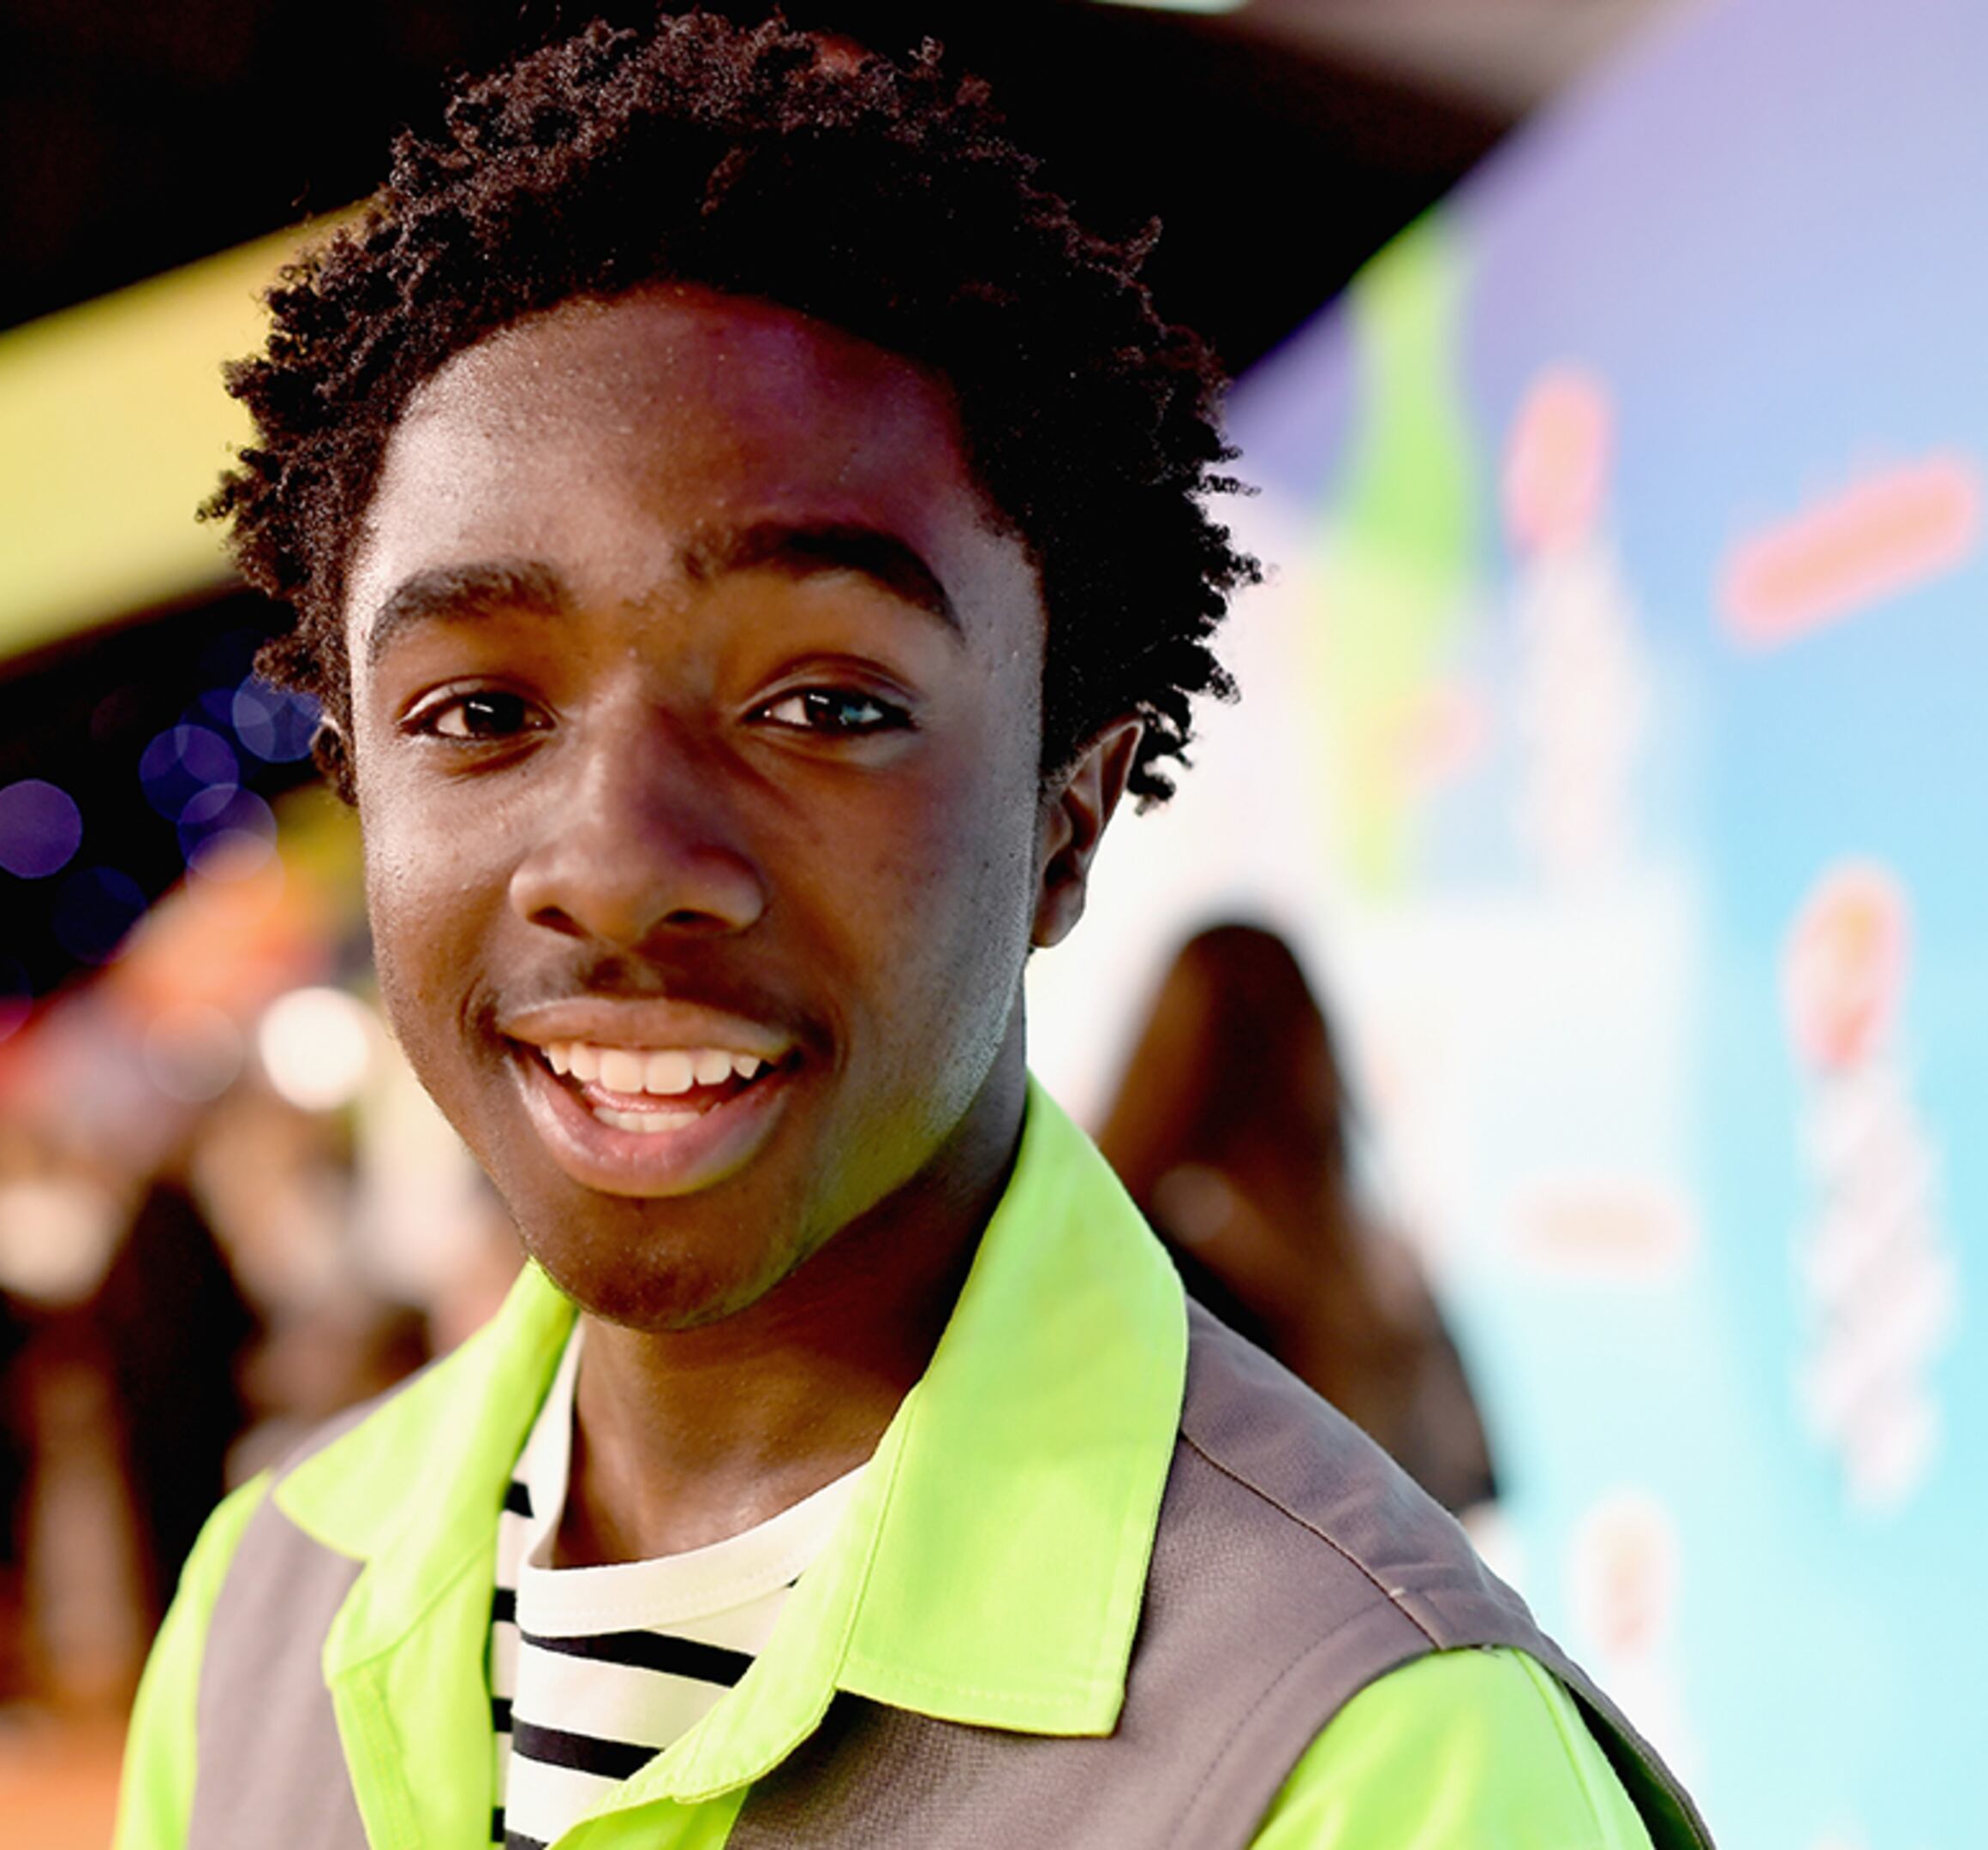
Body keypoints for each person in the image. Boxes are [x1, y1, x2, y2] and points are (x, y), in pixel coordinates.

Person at [116, 17, 1708, 1850]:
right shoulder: (269, 1602)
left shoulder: (1377, 1758)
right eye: (481, 714)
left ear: (1066, 816)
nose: (621, 864)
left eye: (821, 703)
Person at [1096, 922, 1501, 1515]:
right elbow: (1469, 1497)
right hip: (1370, 1593)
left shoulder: (1118, 1263)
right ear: (1314, 1059)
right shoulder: (1380, 1279)